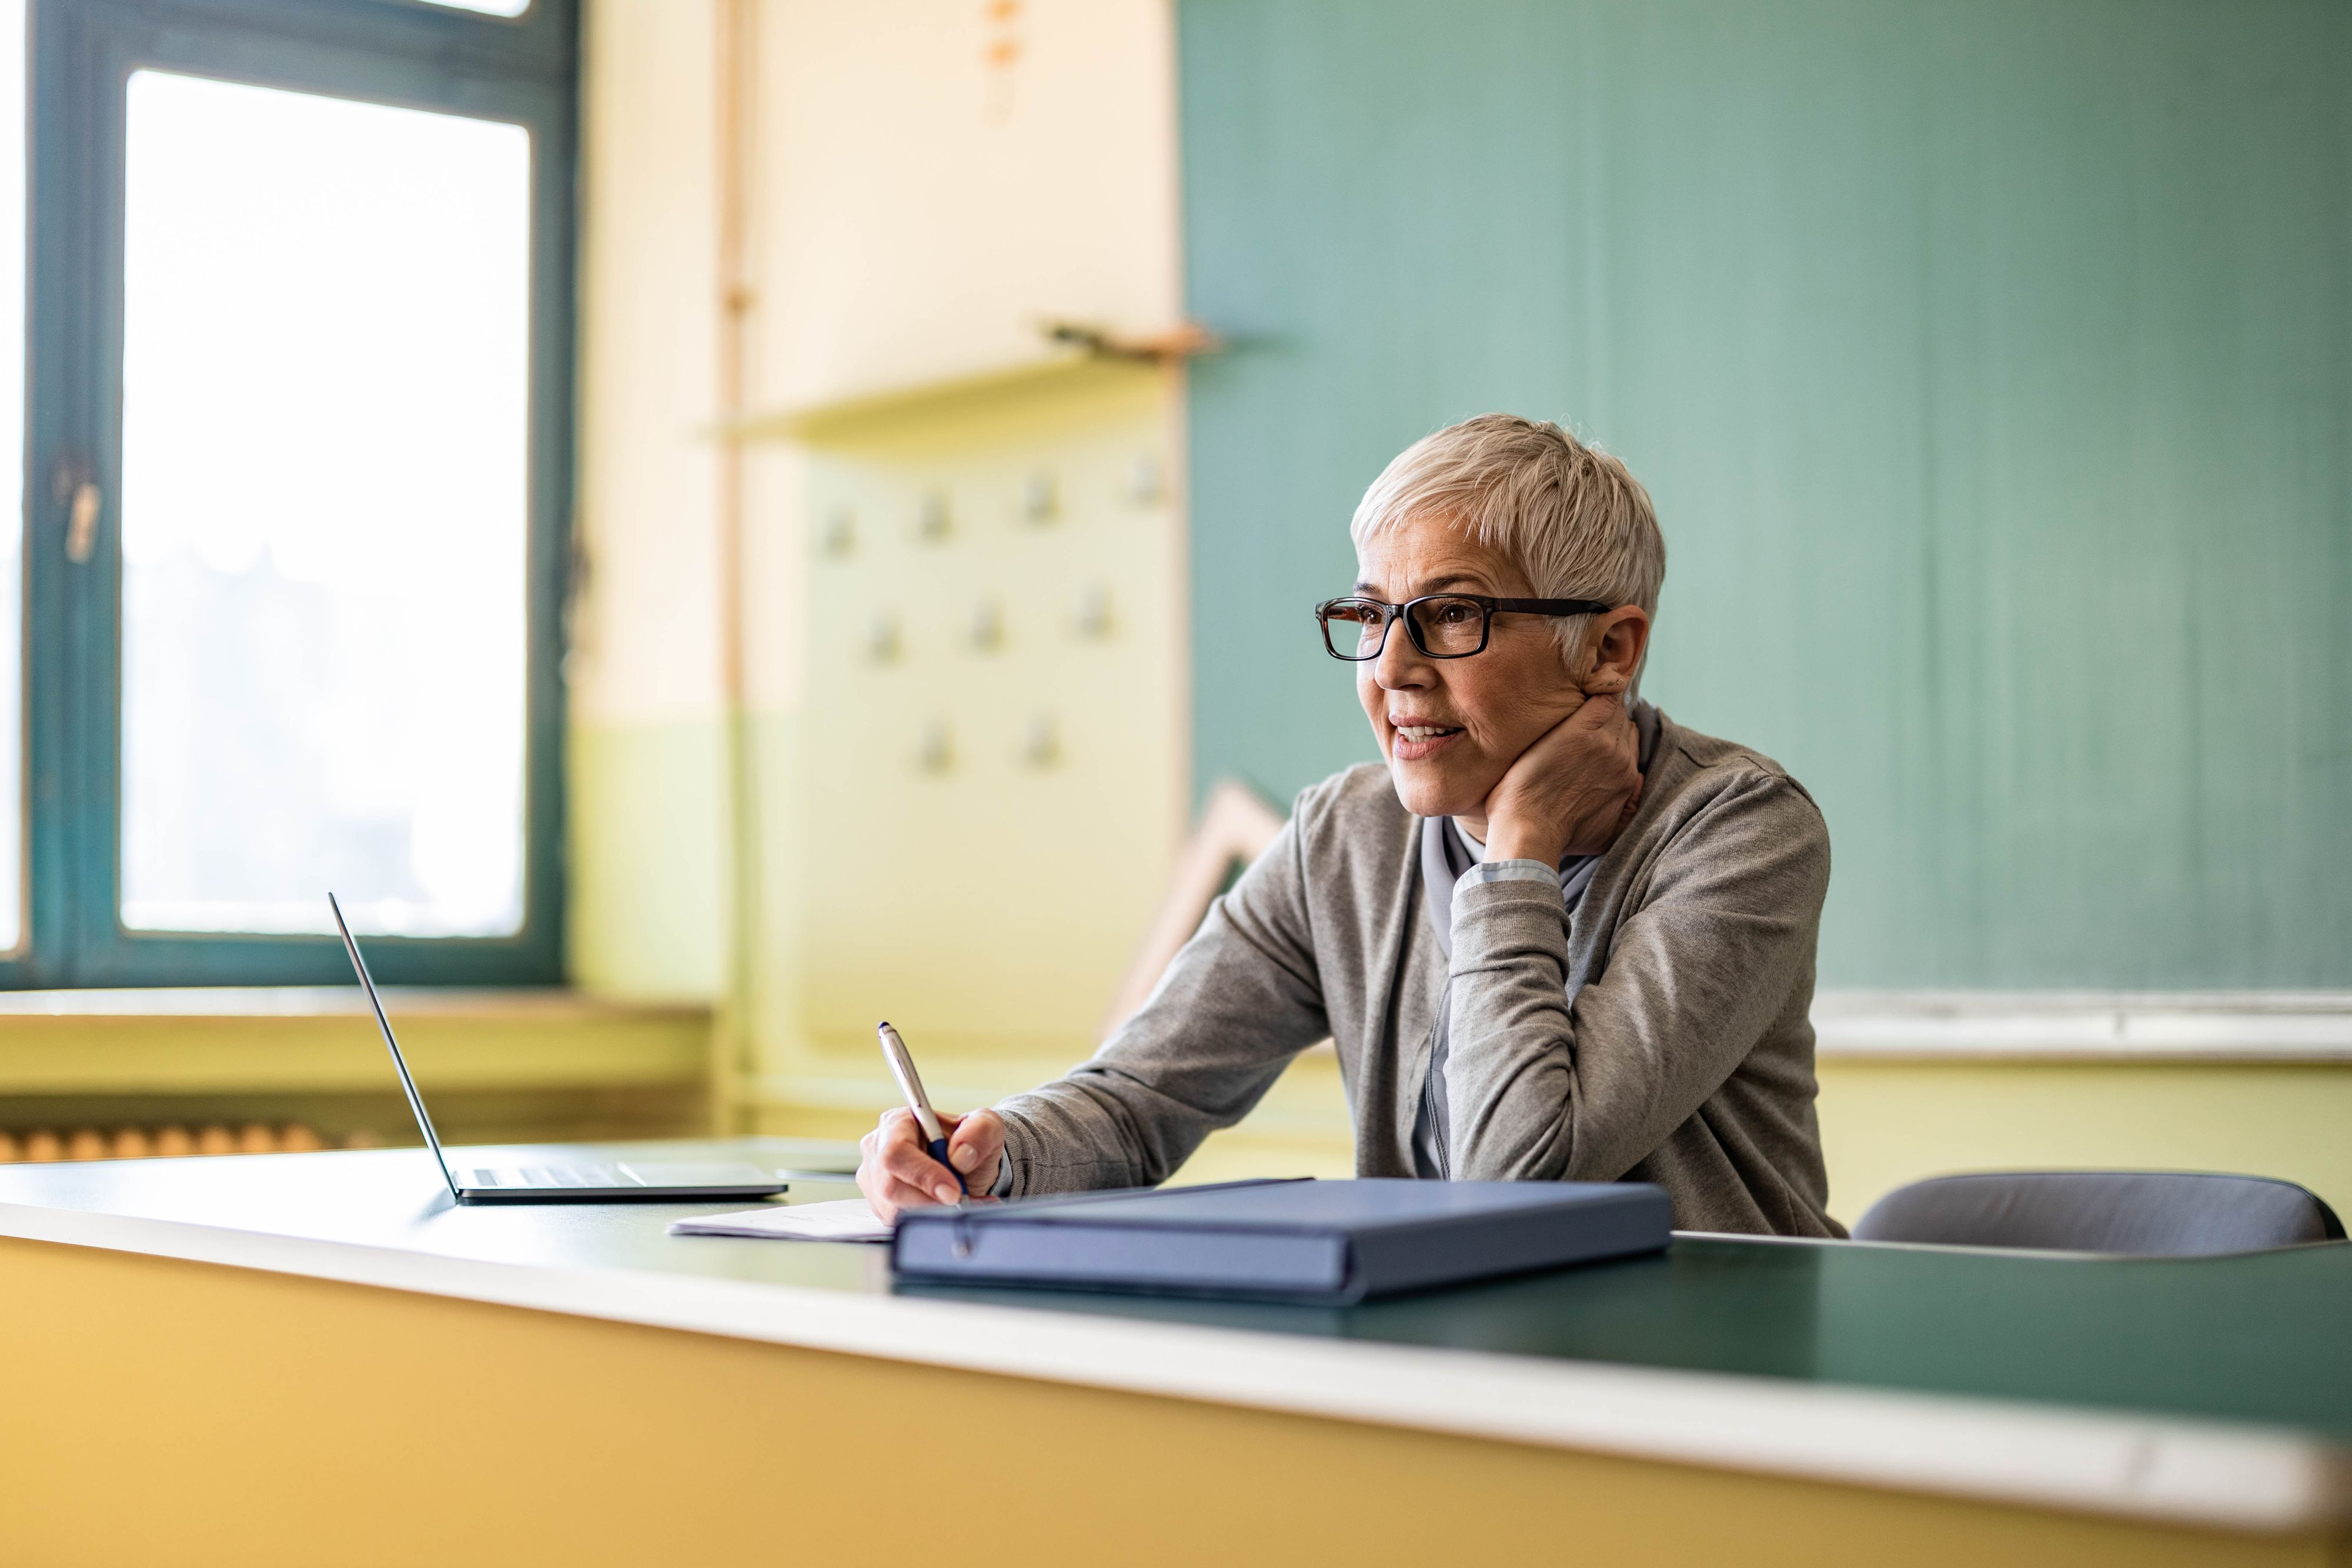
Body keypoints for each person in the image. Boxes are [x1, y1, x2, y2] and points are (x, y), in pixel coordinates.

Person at [859, 413, 1842, 1236]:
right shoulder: (1344, 834)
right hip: (1449, 1363)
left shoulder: (1744, 832)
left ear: (1611, 649)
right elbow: (1139, 1095)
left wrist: (1521, 843)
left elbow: (1518, 1177)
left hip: (1701, 1376)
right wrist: (995, 1155)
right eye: (1372, 616)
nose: (1391, 669)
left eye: (1453, 615)